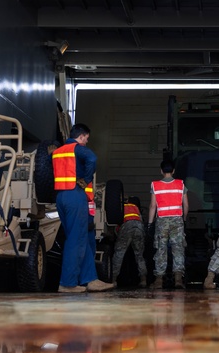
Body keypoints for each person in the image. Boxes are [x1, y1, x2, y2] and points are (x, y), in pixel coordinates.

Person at [52, 123, 115, 293]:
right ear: (81, 136)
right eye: (86, 139)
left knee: (81, 239)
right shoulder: (77, 148)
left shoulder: (57, 152)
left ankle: (90, 279)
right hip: (75, 195)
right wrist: (86, 179)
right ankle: (68, 283)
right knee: (76, 241)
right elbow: (92, 158)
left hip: (61, 197)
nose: (86, 142)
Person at [148, 159, 188, 289]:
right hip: (177, 220)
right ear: (173, 171)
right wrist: (184, 219)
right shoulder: (180, 184)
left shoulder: (155, 185)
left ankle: (159, 280)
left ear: (161, 171)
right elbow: (186, 205)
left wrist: (150, 224)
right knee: (178, 249)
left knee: (161, 249)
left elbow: (153, 206)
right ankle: (178, 280)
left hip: (162, 221)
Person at [112, 195, 148, 288]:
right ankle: (143, 280)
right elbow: (141, 220)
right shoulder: (135, 207)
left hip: (127, 226)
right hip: (139, 227)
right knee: (139, 255)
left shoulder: (119, 207)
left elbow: (116, 225)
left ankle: (113, 280)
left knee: (119, 254)